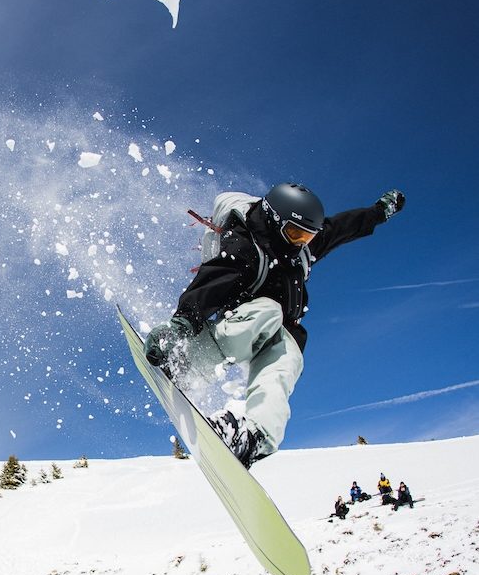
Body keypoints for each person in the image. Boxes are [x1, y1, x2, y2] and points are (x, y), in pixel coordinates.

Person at [144, 182, 406, 466]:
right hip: (243, 321)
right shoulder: (245, 243)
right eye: (295, 234)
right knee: (268, 311)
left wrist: (380, 211)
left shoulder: (302, 247)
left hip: (282, 330)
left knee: (287, 363)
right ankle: (189, 362)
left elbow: (344, 227)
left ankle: (253, 437)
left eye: (307, 237)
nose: (300, 243)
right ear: (273, 218)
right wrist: (180, 326)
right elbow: (213, 282)